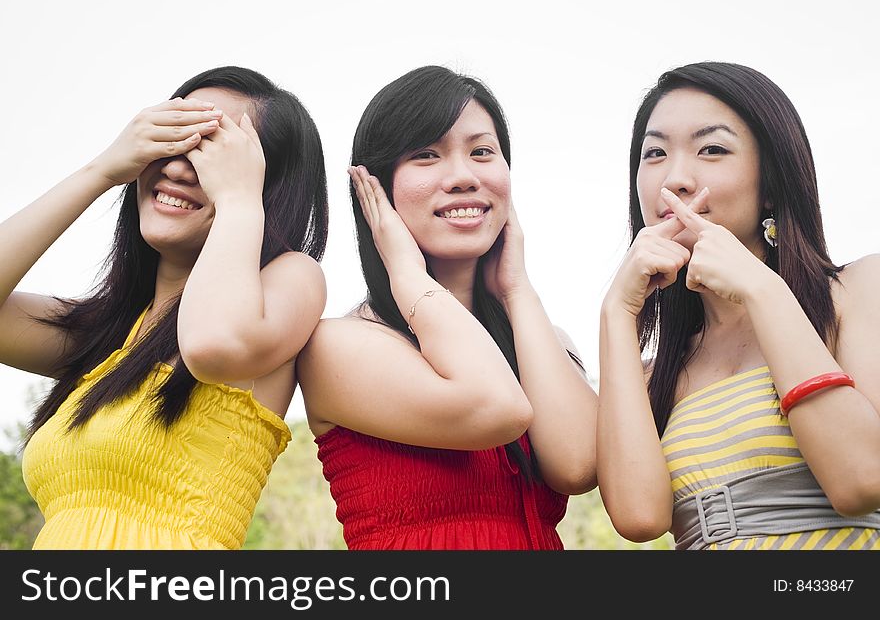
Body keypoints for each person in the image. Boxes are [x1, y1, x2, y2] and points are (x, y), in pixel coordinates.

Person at [7, 65, 329, 549]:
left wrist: (240, 200)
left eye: (211, 151)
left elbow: (213, 346)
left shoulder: (289, 281)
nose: (178, 167)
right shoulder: (106, 338)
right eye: (170, 139)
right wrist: (101, 171)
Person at [297, 65, 597, 550]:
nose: (462, 177)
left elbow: (578, 464)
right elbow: (496, 407)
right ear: (374, 187)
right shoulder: (337, 345)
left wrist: (517, 289)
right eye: (426, 155)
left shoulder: (542, 338)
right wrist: (408, 275)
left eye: (482, 152)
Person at [597, 61, 880, 550]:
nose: (676, 178)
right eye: (655, 153)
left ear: (770, 183)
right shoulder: (655, 375)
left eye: (712, 149)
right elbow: (639, 519)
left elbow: (859, 478)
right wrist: (616, 315)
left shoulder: (858, 292)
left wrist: (761, 288)